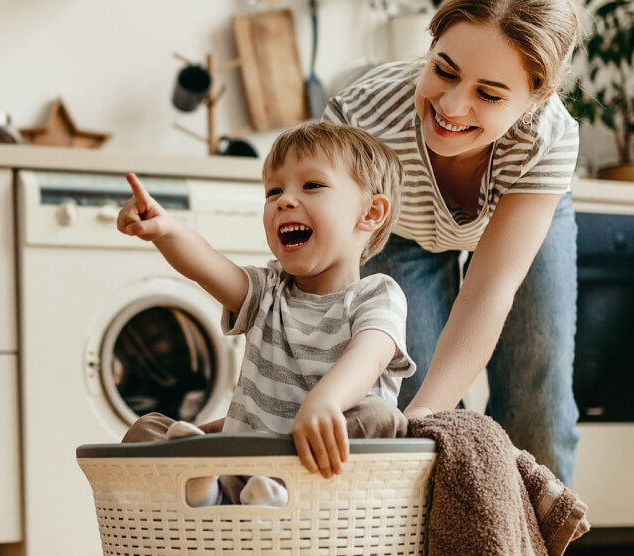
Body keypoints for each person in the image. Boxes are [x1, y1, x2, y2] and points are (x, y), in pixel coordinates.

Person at [324, 0, 585, 485]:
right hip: (400, 230)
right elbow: (328, 267)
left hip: (512, 220)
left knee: (539, 405)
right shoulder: (359, 118)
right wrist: (422, 420)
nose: (451, 107)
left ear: (536, 100)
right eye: (444, 70)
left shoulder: (548, 138)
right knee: (417, 394)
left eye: (488, 95)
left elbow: (491, 289)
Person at [115, 121, 414, 506]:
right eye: (274, 191)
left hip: (323, 474)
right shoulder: (268, 290)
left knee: (382, 419)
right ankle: (210, 493)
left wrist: (324, 402)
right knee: (148, 430)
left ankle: (269, 495)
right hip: (242, 463)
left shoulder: (378, 295)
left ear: (371, 213)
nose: (284, 201)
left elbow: (368, 356)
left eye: (312, 186)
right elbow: (207, 266)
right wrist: (165, 230)